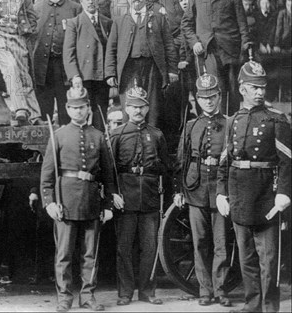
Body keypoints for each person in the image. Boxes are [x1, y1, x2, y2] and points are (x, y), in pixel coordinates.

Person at [217, 59, 291, 312]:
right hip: (239, 197)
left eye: (262, 87)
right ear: (242, 89)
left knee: (268, 261)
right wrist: (220, 193)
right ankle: (252, 306)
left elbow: (287, 161)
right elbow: (225, 161)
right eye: (254, 87)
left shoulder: (276, 120)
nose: (260, 91)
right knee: (246, 258)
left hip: (266, 199)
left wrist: (283, 193)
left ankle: (270, 308)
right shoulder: (233, 121)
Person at [40, 86, 115, 312]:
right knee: (64, 254)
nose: (77, 112)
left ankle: (88, 296)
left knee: (90, 253)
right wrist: (49, 202)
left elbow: (108, 174)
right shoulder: (59, 136)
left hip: (91, 201)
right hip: (66, 202)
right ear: (67, 109)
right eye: (73, 108)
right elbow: (47, 175)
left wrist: (109, 204)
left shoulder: (98, 136)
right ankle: (64, 297)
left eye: (81, 107)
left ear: (88, 108)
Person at [173, 73, 233, 307]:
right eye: (204, 98)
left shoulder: (229, 124)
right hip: (195, 188)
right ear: (197, 99)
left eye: (213, 96)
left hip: (219, 189)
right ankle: (205, 291)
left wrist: (226, 191)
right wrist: (178, 190)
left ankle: (220, 290)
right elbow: (181, 160)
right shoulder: (191, 126)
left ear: (219, 96)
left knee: (221, 243)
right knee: (199, 242)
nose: (209, 101)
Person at [110, 84, 172, 306]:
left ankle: (147, 291)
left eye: (142, 107)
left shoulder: (156, 135)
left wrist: (168, 198)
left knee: (149, 247)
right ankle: (125, 292)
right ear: (127, 108)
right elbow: (110, 171)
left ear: (147, 109)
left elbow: (166, 167)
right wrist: (113, 194)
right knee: (124, 248)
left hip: (150, 198)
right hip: (125, 198)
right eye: (133, 107)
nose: (137, 111)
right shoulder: (116, 135)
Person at [181, 0, 252, 116]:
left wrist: (244, 47)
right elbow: (186, 24)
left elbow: (243, 24)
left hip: (230, 50)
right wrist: (195, 42)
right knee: (212, 89)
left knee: (232, 91)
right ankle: (214, 128)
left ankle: (232, 125)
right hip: (207, 51)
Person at [105, 0, 178, 127]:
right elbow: (111, 47)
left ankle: (151, 143)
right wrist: (111, 72)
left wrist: (172, 70)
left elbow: (169, 45)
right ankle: (129, 143)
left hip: (152, 68)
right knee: (130, 106)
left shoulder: (158, 18)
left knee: (153, 107)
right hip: (129, 69)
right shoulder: (120, 20)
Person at [33, 0, 82, 125]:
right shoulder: (36, 8)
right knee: (44, 115)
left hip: (65, 70)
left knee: (67, 112)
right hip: (42, 70)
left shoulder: (75, 8)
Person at [63, 0, 112, 131]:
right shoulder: (74, 23)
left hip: (102, 77)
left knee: (100, 115)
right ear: (81, 0)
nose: (91, 2)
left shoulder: (107, 22)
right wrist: (74, 76)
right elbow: (68, 53)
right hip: (85, 77)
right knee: (82, 114)